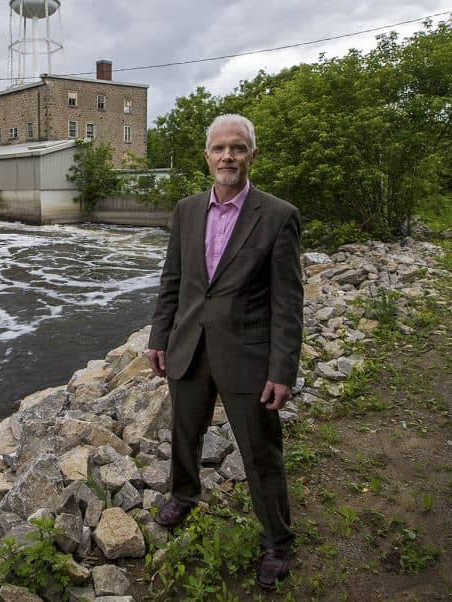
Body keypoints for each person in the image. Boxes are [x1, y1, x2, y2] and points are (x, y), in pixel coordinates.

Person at [146, 113, 303, 590]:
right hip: (189, 348)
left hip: (248, 356)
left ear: (252, 155)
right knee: (184, 434)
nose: (227, 156)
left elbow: (288, 302)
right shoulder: (186, 210)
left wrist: (283, 369)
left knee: (260, 452)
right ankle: (185, 495)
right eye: (219, 149)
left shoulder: (277, 216)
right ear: (207, 156)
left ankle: (277, 539)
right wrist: (159, 337)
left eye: (237, 148)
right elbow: (173, 281)